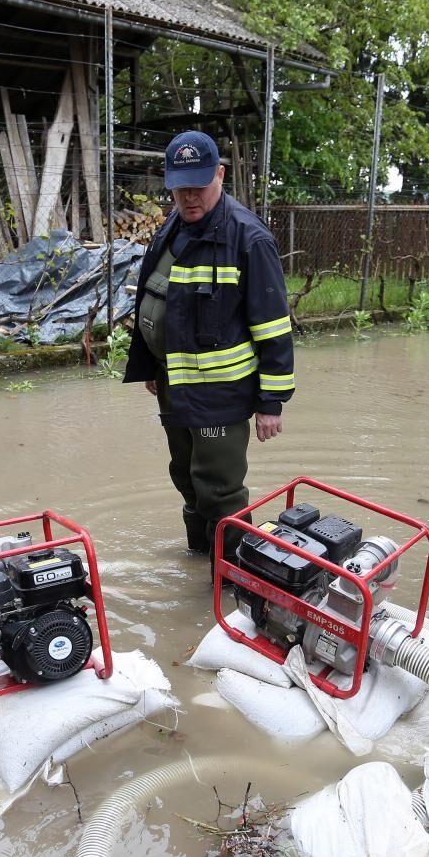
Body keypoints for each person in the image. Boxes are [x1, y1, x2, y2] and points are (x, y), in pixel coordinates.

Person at [122, 130, 295, 563]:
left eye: (198, 186)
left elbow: (274, 326)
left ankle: (235, 582)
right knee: (185, 477)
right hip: (174, 386)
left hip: (222, 395)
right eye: (180, 188)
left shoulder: (248, 239)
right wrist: (148, 365)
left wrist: (271, 401)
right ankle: (201, 561)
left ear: (220, 174)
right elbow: (155, 297)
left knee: (219, 489)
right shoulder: (172, 228)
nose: (189, 197)